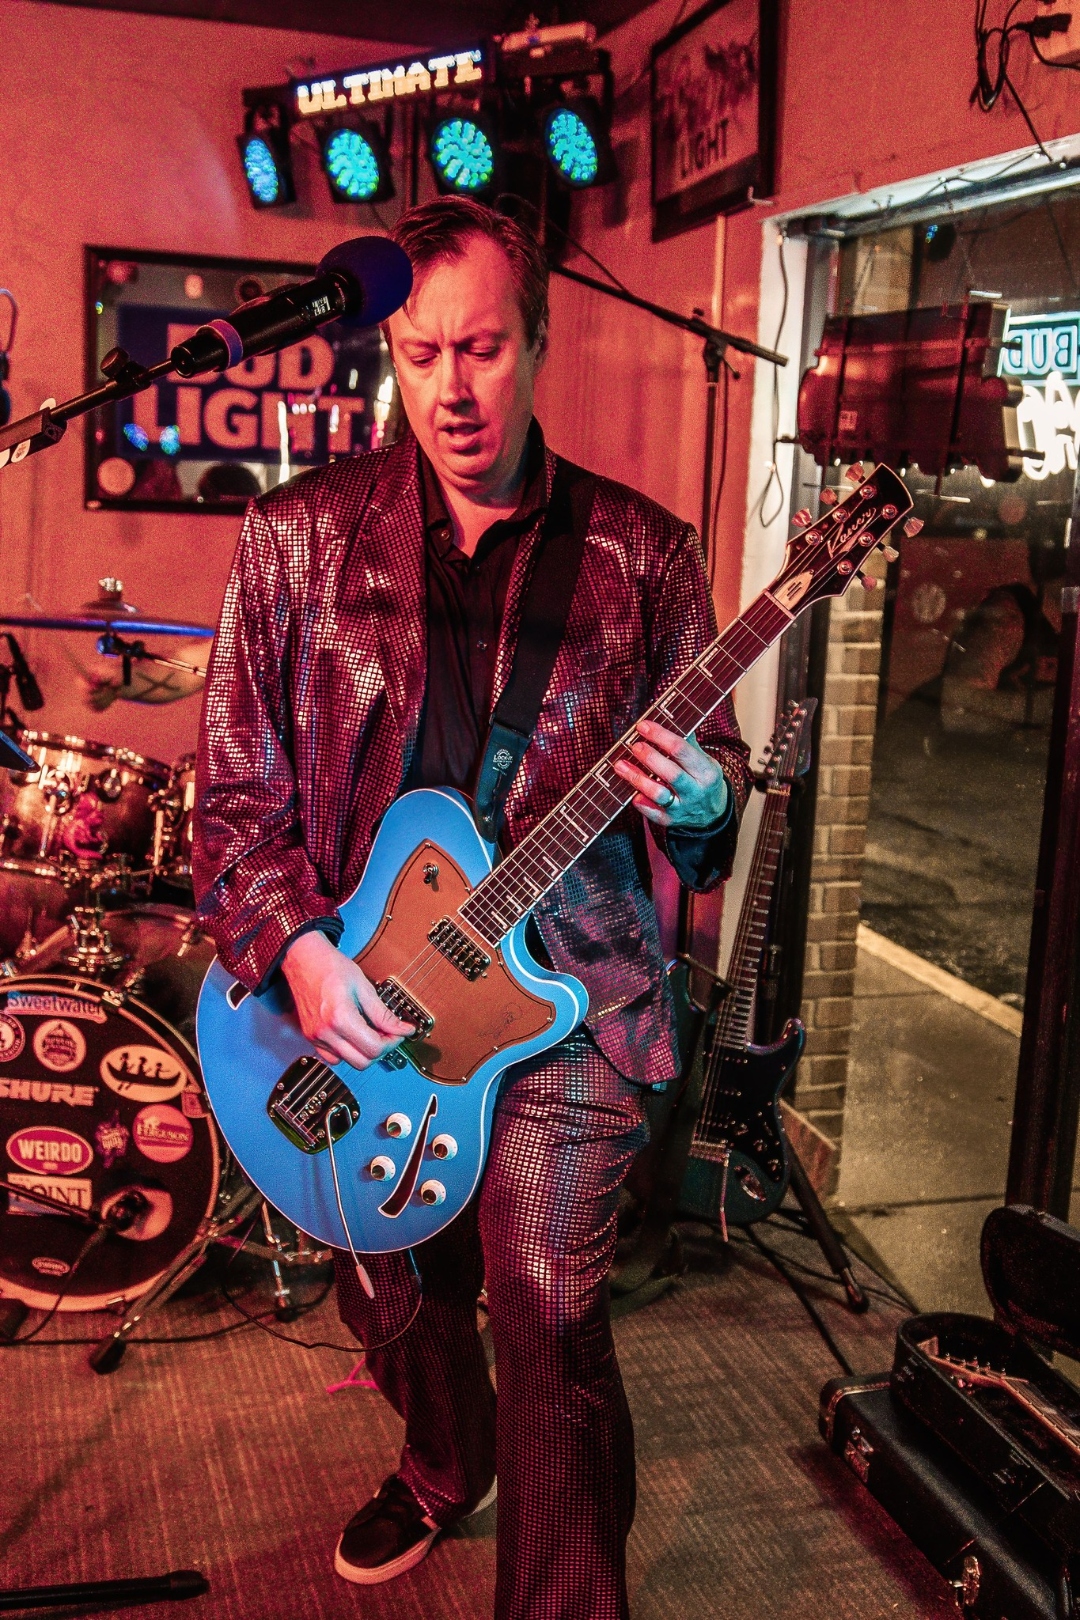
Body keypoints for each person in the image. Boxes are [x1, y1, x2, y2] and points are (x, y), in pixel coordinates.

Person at [193, 197, 752, 1620]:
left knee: (551, 1313)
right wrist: (301, 952)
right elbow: (233, 793)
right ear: (390, 346)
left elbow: (716, 792)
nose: (451, 386)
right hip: (362, 988)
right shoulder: (295, 541)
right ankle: (446, 1463)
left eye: (486, 349)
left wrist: (698, 802)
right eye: (423, 349)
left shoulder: (644, 556)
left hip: (568, 989)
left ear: (539, 343)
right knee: (392, 1282)